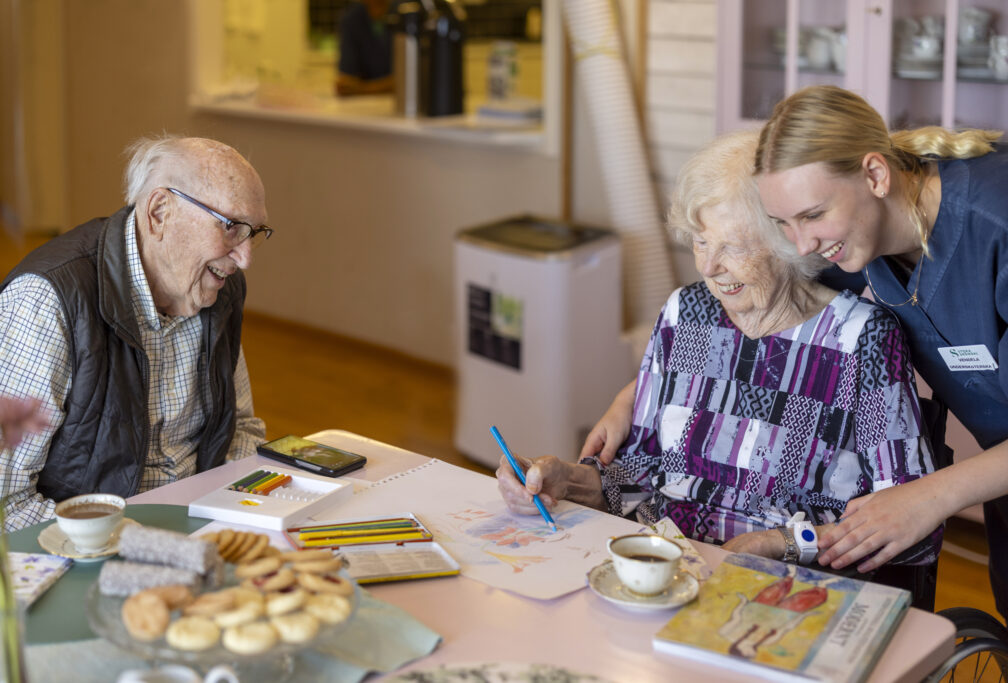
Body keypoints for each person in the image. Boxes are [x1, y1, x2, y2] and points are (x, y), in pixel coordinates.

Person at [498, 130, 941, 570]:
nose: (708, 267)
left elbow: (911, 528)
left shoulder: (861, 338)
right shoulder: (685, 313)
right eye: (701, 240)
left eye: (732, 246)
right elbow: (641, 476)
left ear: (789, 240)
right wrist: (566, 482)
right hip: (664, 567)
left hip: (789, 582)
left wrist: (781, 544)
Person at [751, 84, 1008, 621]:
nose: (802, 245)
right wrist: (629, 398)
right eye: (784, 224)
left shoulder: (995, 222)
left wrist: (929, 497)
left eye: (813, 215)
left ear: (875, 175)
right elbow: (759, 310)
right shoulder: (853, 236)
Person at [0, 135, 270, 531]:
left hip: (200, 531)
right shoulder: (47, 301)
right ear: (159, 212)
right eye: (232, 227)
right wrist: (133, 542)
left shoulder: (218, 289)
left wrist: (236, 514)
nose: (245, 257)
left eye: (254, 232)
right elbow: (0, 504)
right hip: (84, 552)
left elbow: (241, 427)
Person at [336, 0, 394, 96]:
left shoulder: (405, 13)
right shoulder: (351, 19)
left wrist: (363, 88)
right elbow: (347, 80)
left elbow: (410, 80)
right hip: (364, 103)